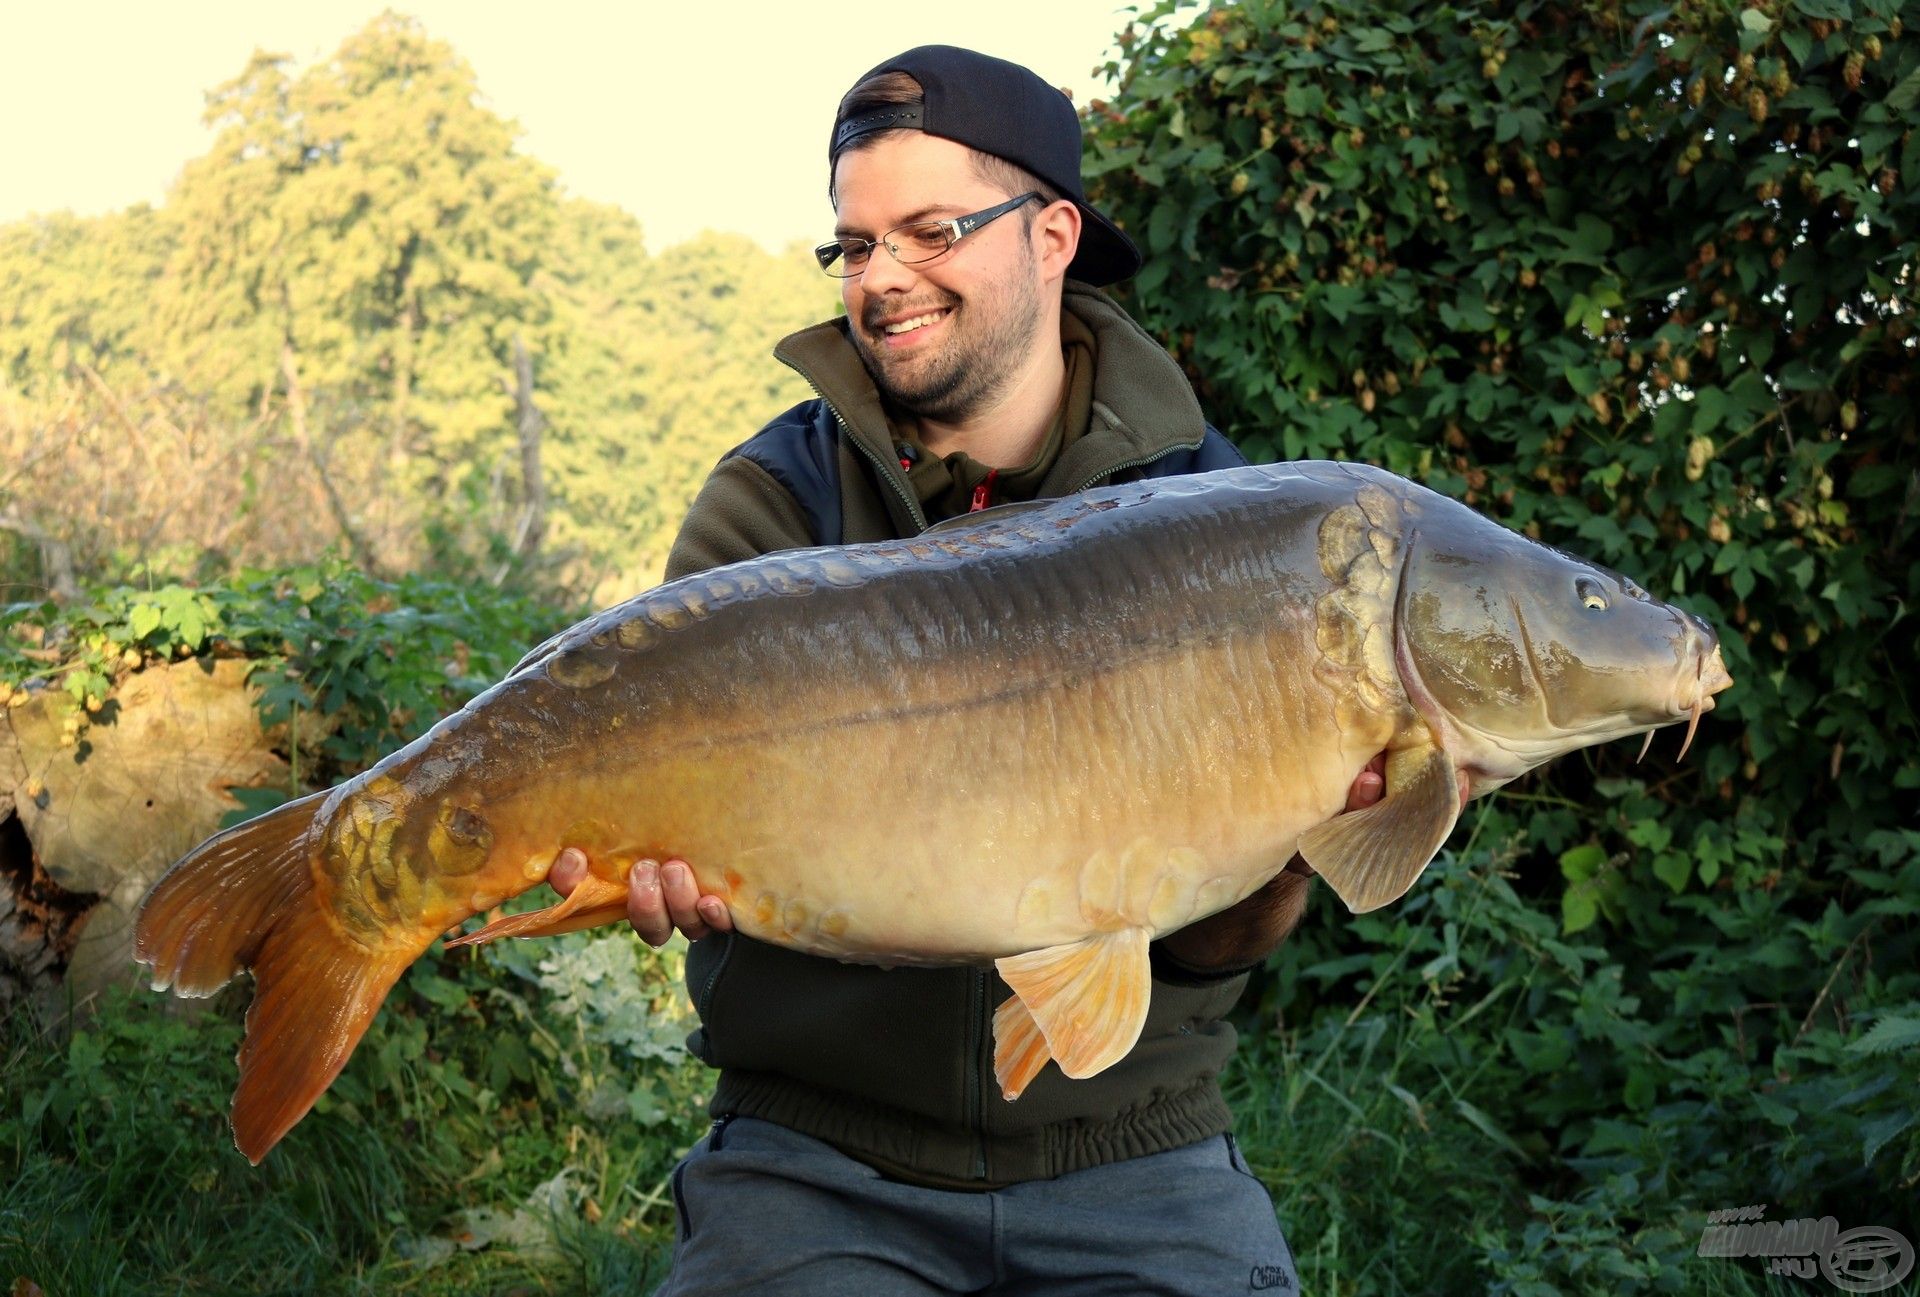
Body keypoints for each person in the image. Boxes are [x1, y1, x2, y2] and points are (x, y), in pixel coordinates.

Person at [550, 45, 1385, 1295]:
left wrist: (1292, 851)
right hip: (816, 1154)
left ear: (1053, 234)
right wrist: (645, 860)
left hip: (1131, 1149)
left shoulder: (1221, 514)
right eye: (855, 245)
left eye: (931, 231)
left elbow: (1219, 947)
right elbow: (661, 810)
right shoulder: (772, 503)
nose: (883, 278)